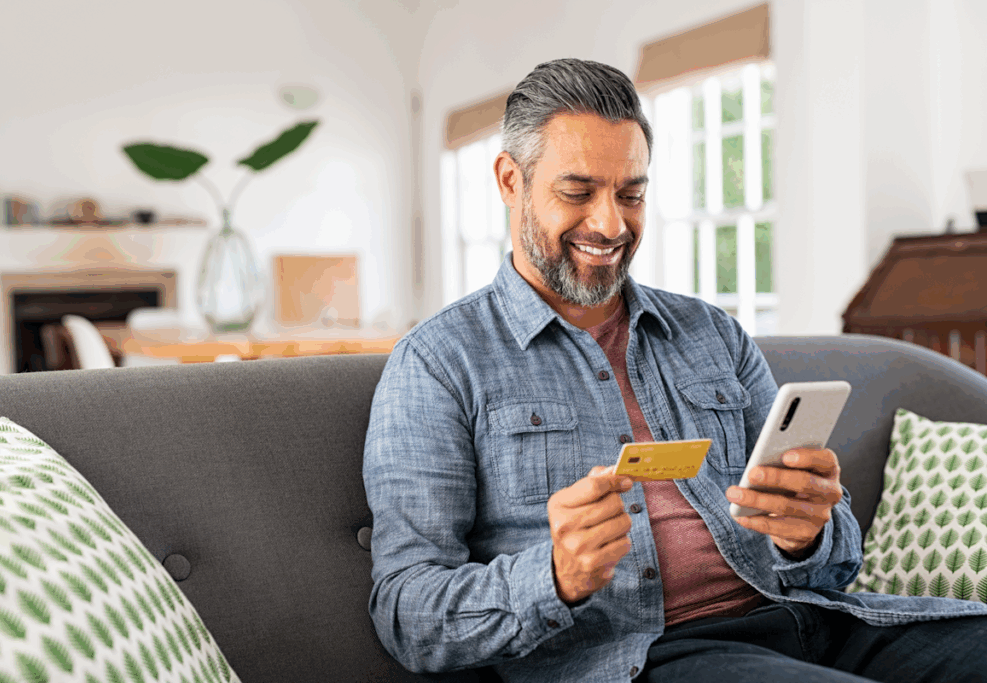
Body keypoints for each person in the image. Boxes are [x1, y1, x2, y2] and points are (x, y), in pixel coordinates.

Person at [362, 58, 987, 683]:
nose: (610, 224)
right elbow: (406, 614)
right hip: (647, 655)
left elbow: (835, 560)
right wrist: (552, 577)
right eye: (578, 192)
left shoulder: (712, 333)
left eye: (631, 194)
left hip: (815, 619)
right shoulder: (439, 363)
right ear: (510, 180)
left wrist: (810, 533)